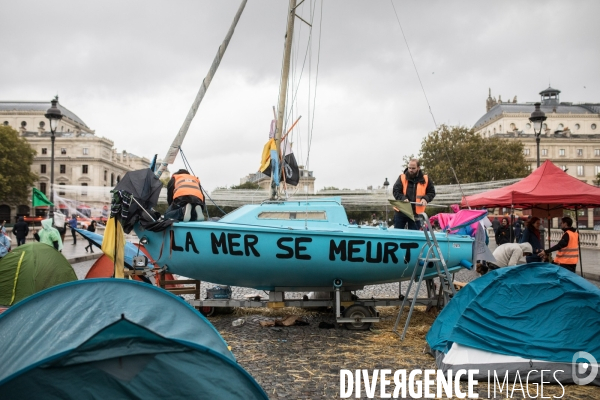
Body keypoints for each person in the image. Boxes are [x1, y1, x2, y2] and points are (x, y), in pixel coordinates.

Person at [392, 158, 435, 230]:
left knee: (414, 236)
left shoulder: (426, 179)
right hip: (401, 211)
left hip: (417, 214)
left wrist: (425, 199)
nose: (411, 170)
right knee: (397, 234)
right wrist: (403, 198)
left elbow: (432, 192)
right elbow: (396, 191)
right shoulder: (402, 177)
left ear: (418, 168)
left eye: (413, 168)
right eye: (409, 168)